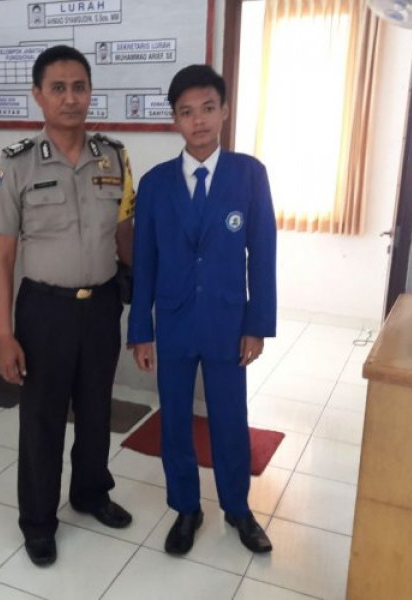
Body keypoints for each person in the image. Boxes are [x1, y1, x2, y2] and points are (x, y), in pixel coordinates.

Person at [0, 45, 135, 567]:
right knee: (42, 420)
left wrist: (142, 300)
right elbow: (1, 257)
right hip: (44, 311)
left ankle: (91, 493)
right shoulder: (17, 163)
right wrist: (3, 334)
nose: (71, 98)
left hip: (102, 307)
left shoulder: (114, 156)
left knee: (96, 410)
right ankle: (38, 522)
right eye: (59, 88)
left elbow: (124, 235)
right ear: (38, 95)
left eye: (79, 87)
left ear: (90, 92)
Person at [127, 65, 277, 555]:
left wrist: (257, 325)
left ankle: (238, 508)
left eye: (208, 108)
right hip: (172, 320)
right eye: (187, 112)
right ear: (174, 119)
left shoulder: (249, 175)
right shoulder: (155, 183)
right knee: (173, 418)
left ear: (224, 111)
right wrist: (140, 330)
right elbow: (144, 262)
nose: (199, 121)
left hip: (227, 321)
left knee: (230, 417)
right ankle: (186, 508)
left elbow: (263, 254)